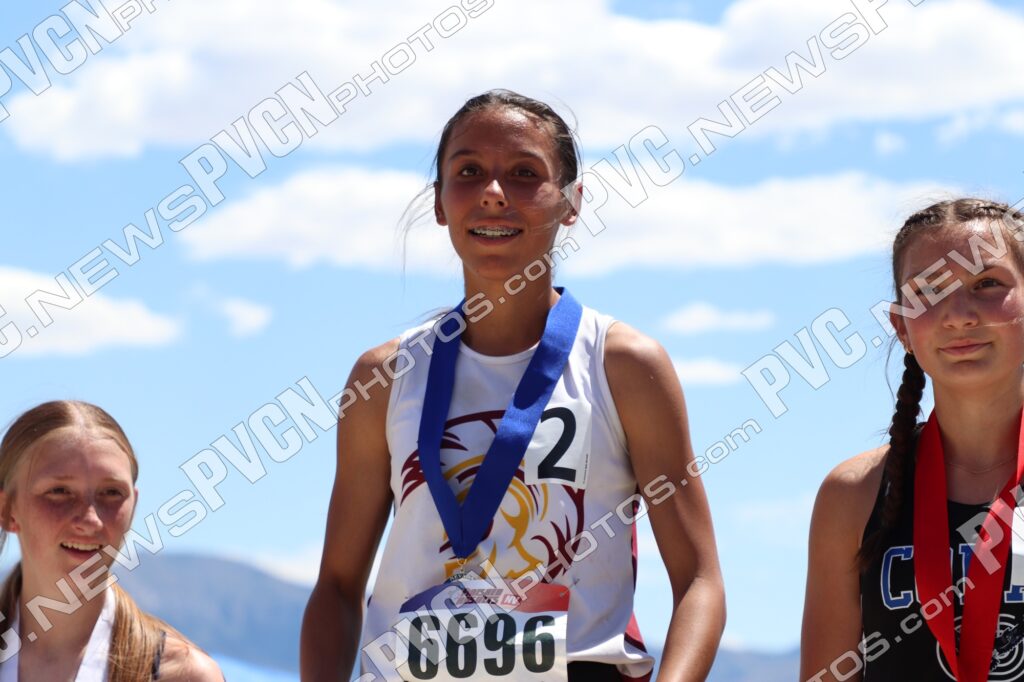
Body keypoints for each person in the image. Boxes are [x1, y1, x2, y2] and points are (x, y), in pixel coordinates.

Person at [300, 90, 725, 681]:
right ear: (440, 203)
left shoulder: (623, 365)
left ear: (572, 202)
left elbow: (700, 580)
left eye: (525, 173)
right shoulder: (384, 378)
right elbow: (338, 585)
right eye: (468, 172)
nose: (494, 193)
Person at [801, 198, 1024, 681]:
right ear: (901, 326)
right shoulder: (853, 494)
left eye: (987, 284)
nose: (958, 315)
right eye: (929, 292)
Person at [0, 400, 223, 682]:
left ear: (134, 505)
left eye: (111, 492)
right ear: (7, 510)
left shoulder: (182, 675)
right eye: (59, 491)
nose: (90, 519)